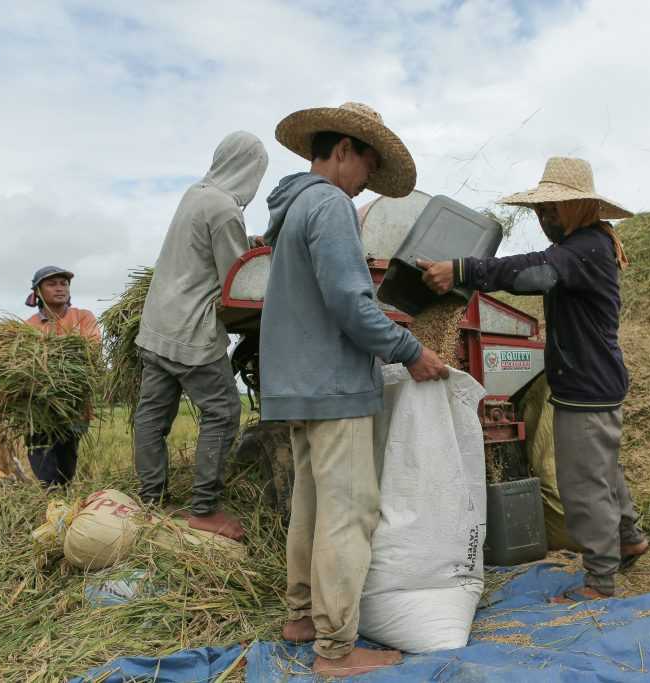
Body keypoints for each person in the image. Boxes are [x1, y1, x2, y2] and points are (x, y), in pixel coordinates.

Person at [261, 102, 448, 678]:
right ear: (343, 150)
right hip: (334, 385)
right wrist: (410, 351)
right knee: (350, 514)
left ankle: (300, 617)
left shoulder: (293, 207)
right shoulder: (331, 204)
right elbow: (347, 301)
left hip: (296, 384)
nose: (368, 181)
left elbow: (323, 300)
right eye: (368, 165)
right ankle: (336, 651)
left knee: (311, 508)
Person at [418, 157, 650, 603]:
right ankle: (629, 539)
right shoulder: (591, 243)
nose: (545, 219)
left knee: (583, 486)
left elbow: (534, 272)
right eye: (540, 211)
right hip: (596, 381)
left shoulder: (586, 247)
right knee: (604, 472)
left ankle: (600, 582)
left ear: (582, 206)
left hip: (586, 387)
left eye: (553, 209)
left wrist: (463, 271)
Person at [134, 131, 269, 542]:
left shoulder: (197, 193)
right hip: (191, 334)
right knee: (224, 412)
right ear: (250, 170)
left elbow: (203, 247)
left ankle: (150, 500)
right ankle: (204, 509)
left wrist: (248, 242)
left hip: (157, 325)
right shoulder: (225, 207)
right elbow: (236, 277)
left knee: (151, 418)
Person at [25, 265, 100, 488]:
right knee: (43, 464)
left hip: (74, 404)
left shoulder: (83, 317)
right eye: (52, 284)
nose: (60, 288)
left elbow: (92, 349)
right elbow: (23, 363)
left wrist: (47, 357)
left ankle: (63, 497)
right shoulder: (29, 326)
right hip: (38, 405)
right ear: (37, 292)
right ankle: (50, 500)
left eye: (64, 283)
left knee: (66, 462)